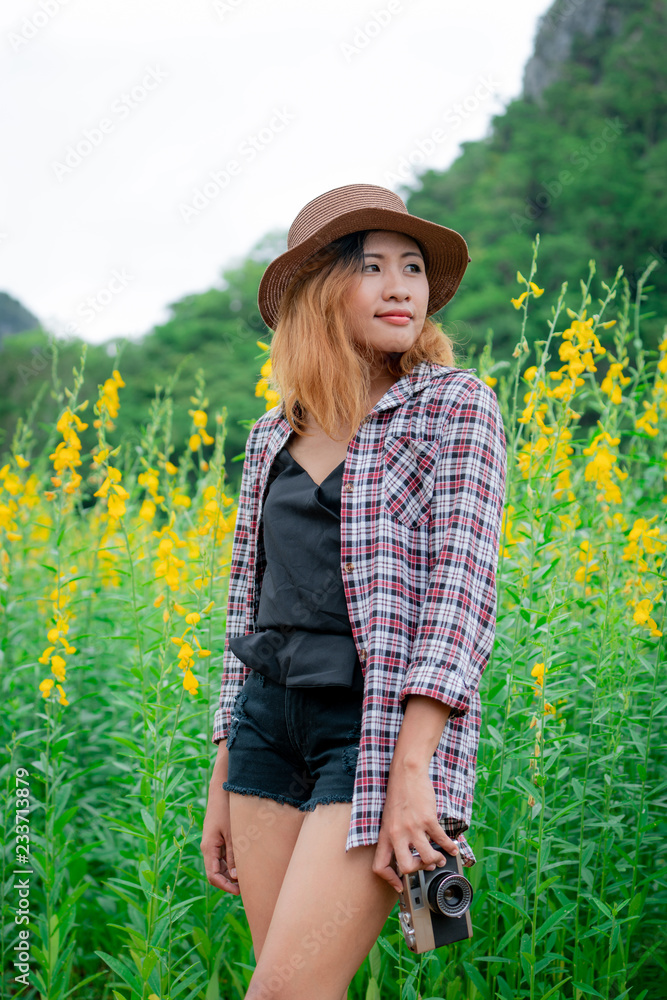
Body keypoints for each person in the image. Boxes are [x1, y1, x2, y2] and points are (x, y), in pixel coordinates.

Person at [201, 183, 507, 1000]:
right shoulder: (272, 433)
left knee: (284, 994)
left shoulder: (453, 408)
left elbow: (461, 600)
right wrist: (221, 772)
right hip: (267, 727)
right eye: (370, 267)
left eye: (411, 268)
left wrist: (415, 773)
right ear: (317, 289)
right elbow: (247, 607)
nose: (400, 285)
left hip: (372, 734)